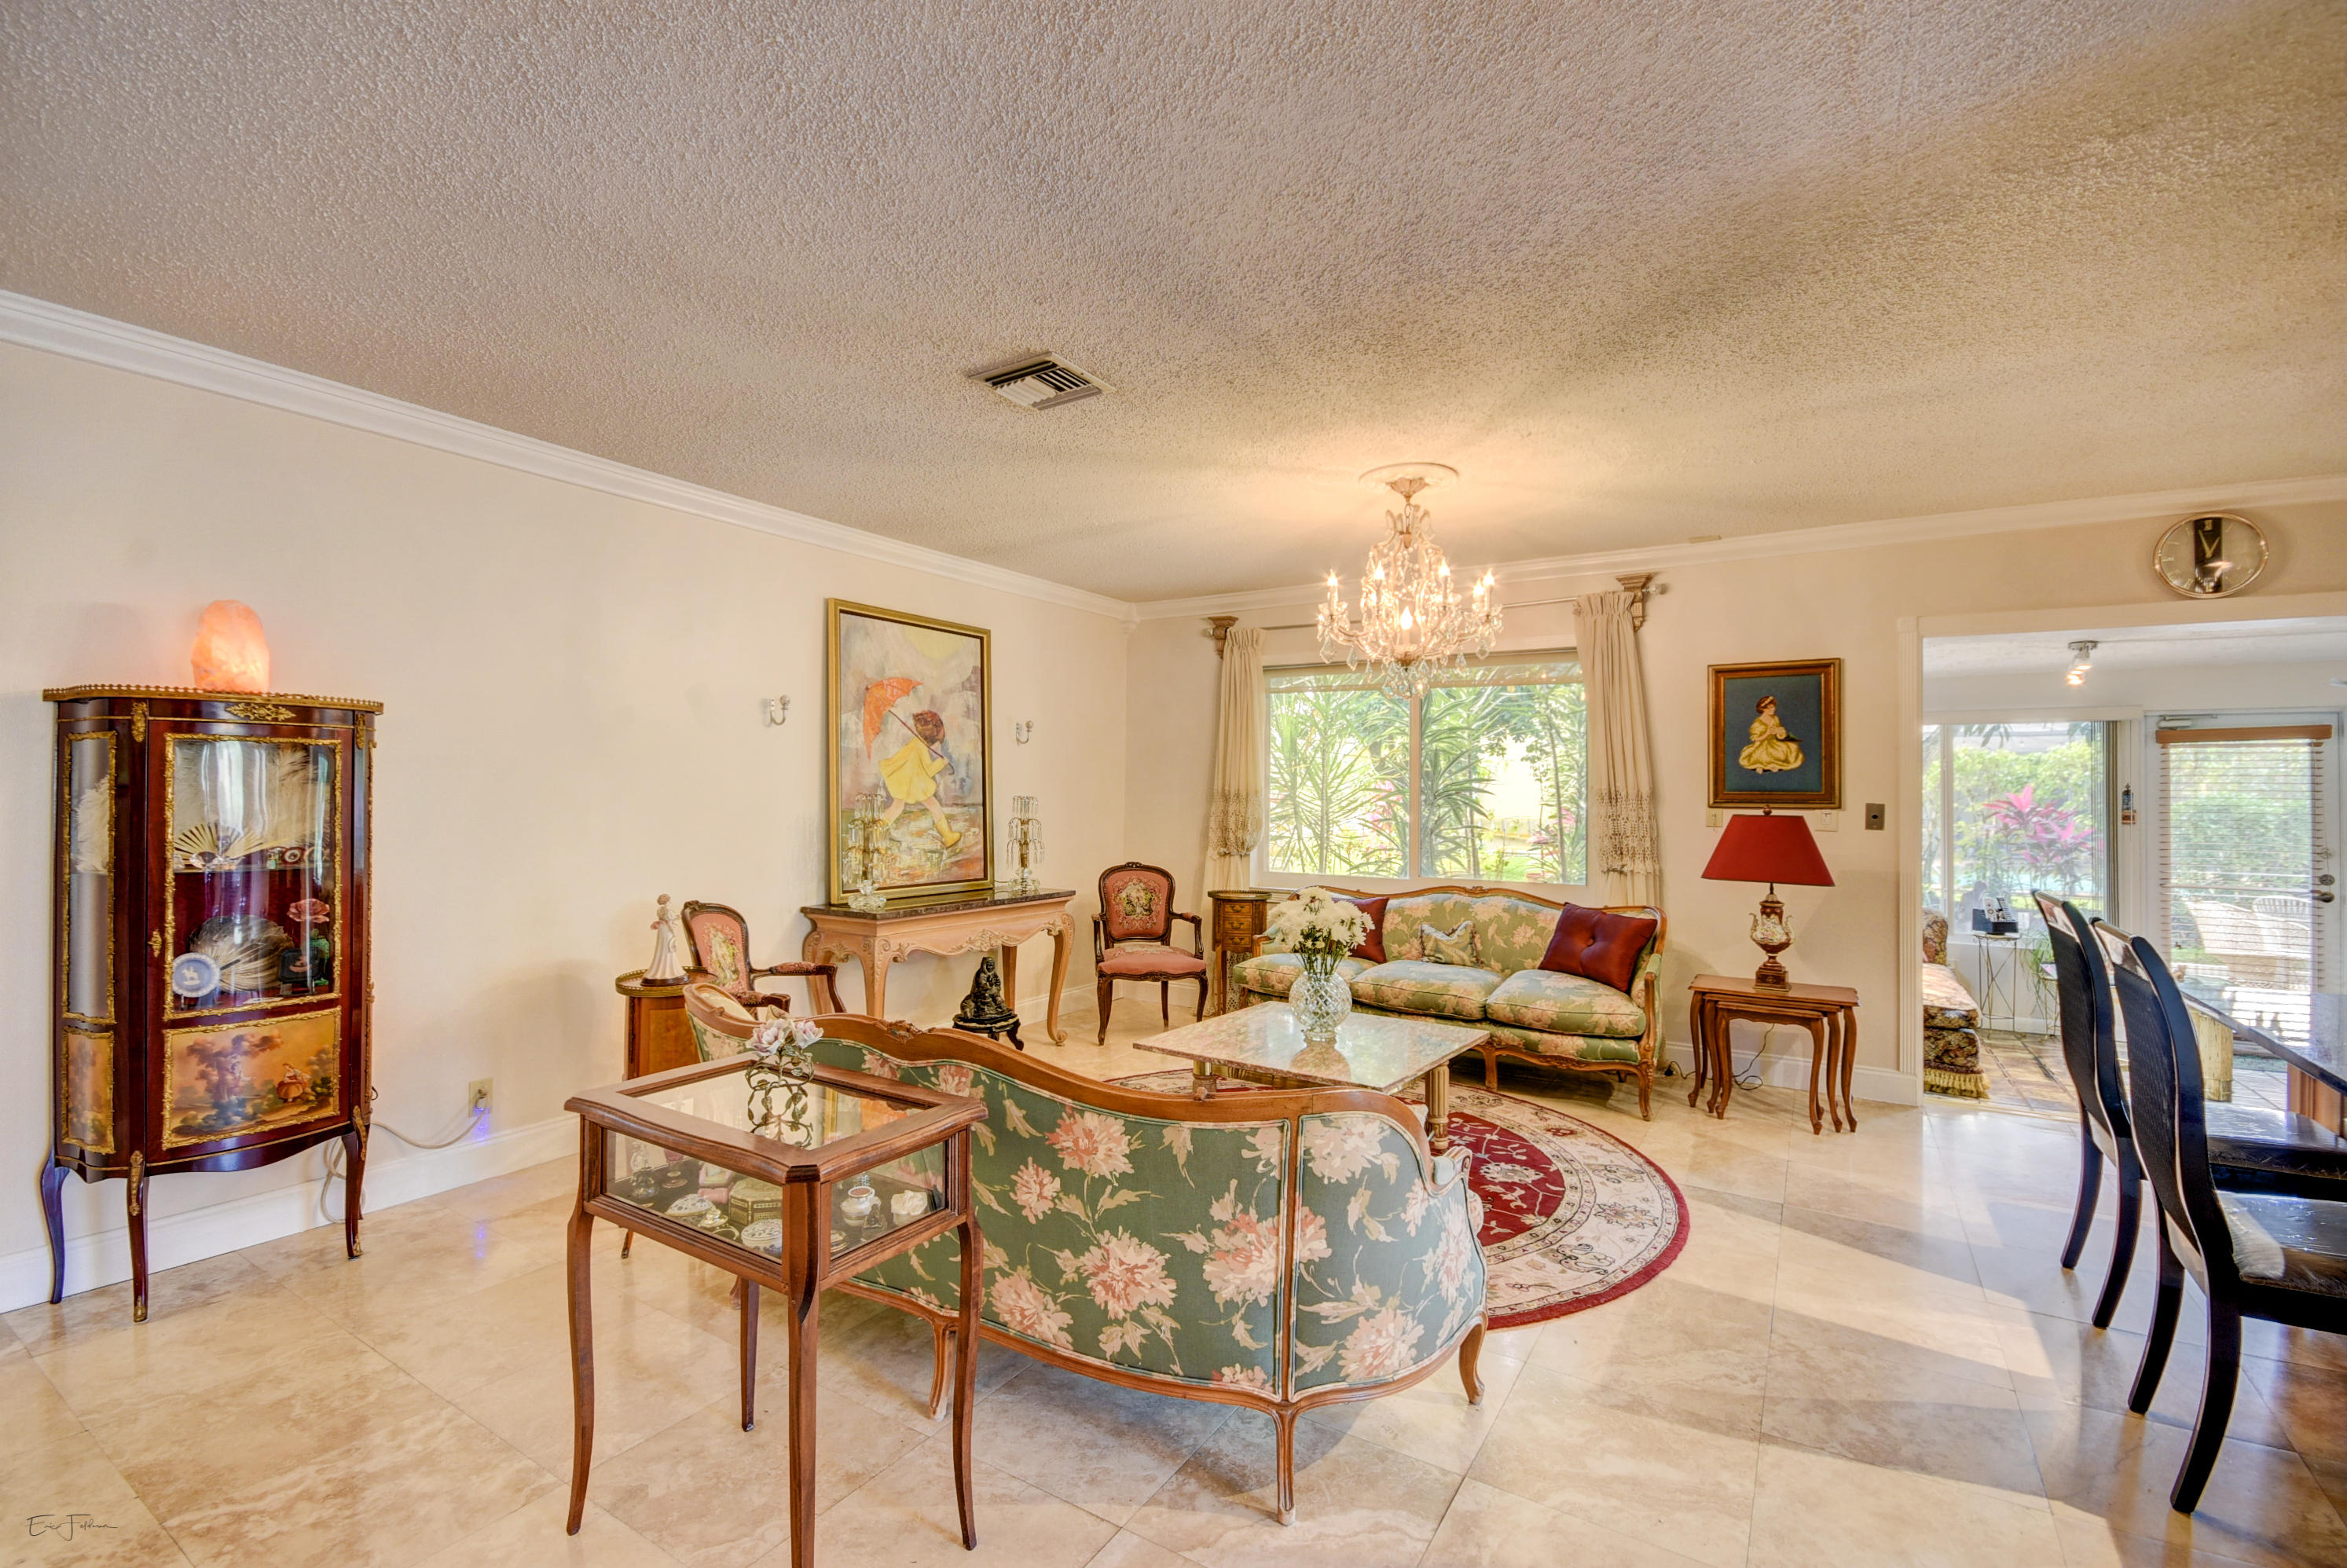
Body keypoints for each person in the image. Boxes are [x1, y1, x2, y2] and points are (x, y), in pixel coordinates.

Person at [876, 709, 962, 849]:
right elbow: (929, 770)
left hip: (908, 780)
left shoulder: (917, 742)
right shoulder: (920, 746)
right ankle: (948, 836)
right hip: (914, 782)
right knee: (933, 806)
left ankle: (876, 834)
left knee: (898, 807)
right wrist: (942, 763)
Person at [1737, 694, 1805, 773]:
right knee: (1765, 755)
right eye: (1771, 707)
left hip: (1775, 742)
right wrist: (1767, 734)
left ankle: (1775, 765)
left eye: (1773, 707)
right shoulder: (1758, 723)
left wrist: (1779, 732)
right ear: (1763, 709)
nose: (1774, 709)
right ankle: (1763, 766)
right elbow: (1756, 739)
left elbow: (1780, 734)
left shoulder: (1775, 719)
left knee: (1792, 747)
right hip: (1763, 744)